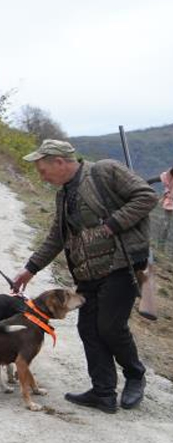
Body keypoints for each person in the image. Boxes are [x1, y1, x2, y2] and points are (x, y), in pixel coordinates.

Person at [11, 139, 156, 413]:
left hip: (122, 264)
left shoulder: (105, 171)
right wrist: (30, 269)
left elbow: (147, 196)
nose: (41, 176)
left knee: (110, 326)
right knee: (88, 328)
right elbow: (57, 235)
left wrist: (113, 225)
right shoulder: (64, 193)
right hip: (87, 272)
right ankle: (103, 393)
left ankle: (135, 376)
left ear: (60, 162)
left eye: (43, 170)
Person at [157, 166, 173, 252]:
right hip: (170, 203)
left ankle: (161, 247)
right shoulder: (168, 176)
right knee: (165, 225)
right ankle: (161, 247)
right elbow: (156, 179)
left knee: (166, 225)